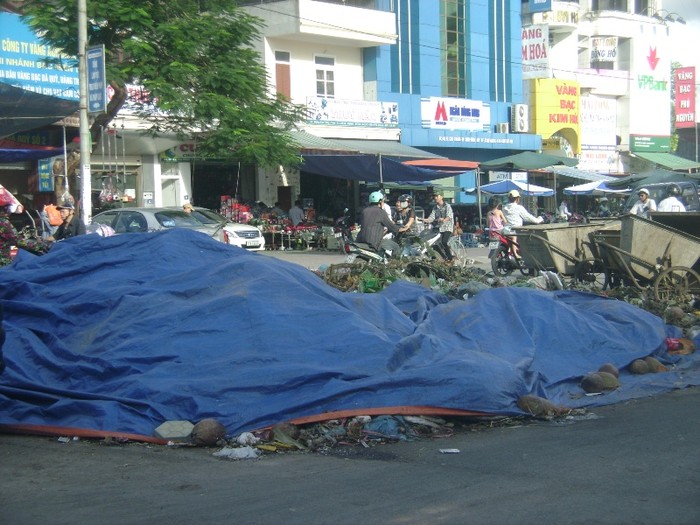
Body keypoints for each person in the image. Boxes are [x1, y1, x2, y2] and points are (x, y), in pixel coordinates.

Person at [356, 191, 408, 258]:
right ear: (380, 201)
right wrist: (403, 228)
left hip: (360, 240)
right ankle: (394, 266)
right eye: (383, 201)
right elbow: (392, 227)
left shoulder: (364, 211)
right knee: (396, 247)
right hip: (374, 242)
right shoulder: (381, 212)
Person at [502, 189, 543, 257]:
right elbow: (528, 217)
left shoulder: (504, 207)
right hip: (515, 230)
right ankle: (516, 254)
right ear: (517, 199)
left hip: (505, 230)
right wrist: (538, 220)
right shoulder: (519, 208)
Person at [420, 191, 455, 263]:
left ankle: (450, 258)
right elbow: (431, 218)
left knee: (444, 242)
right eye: (434, 196)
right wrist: (423, 219)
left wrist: (444, 220)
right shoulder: (435, 208)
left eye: (437, 196)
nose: (435, 198)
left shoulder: (447, 206)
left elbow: (449, 216)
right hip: (438, 228)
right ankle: (443, 257)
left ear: (441, 197)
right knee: (433, 243)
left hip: (447, 227)